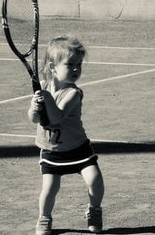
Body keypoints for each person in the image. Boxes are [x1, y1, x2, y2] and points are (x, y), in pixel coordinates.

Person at [28, 36, 105, 235]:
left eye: (78, 65)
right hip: (52, 151)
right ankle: (44, 218)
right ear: (53, 67)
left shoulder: (73, 93)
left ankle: (94, 210)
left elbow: (57, 117)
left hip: (78, 149)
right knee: (49, 189)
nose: (75, 69)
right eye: (69, 64)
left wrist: (46, 100)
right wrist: (35, 107)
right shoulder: (44, 88)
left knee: (95, 180)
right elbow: (35, 119)